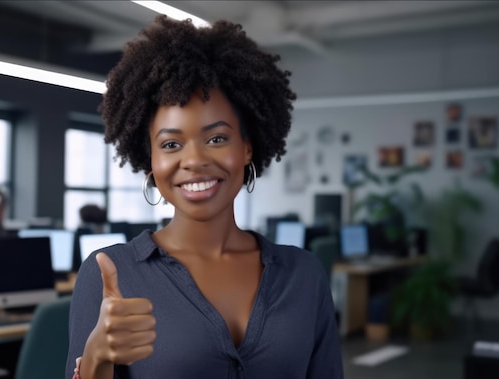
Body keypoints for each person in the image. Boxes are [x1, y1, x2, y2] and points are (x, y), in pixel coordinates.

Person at [66, 15, 343, 379]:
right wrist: (97, 358)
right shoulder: (110, 275)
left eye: (216, 138)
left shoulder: (305, 275)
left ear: (246, 147)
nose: (194, 160)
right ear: (150, 159)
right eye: (171, 144)